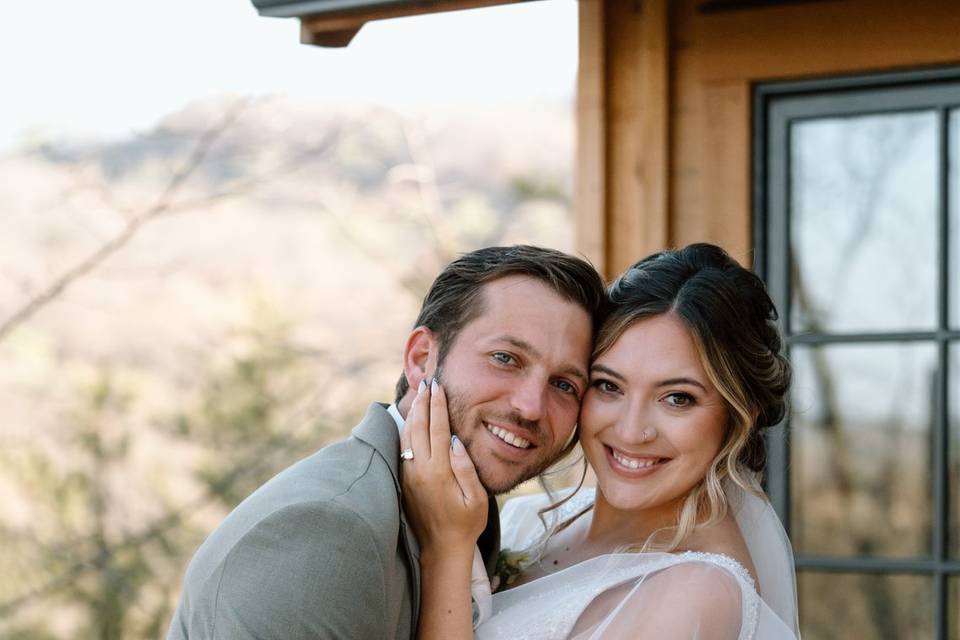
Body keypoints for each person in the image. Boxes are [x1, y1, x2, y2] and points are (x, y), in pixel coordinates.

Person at [166, 245, 606, 639]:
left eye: (564, 384)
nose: (531, 406)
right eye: (505, 359)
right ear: (420, 359)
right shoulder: (326, 532)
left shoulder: (461, 512)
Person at [401, 243, 801, 639]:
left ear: (736, 416)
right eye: (609, 386)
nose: (630, 431)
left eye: (678, 398)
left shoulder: (695, 595)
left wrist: (447, 551)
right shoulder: (530, 518)